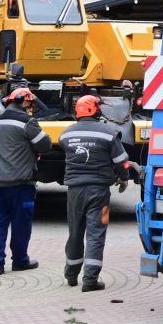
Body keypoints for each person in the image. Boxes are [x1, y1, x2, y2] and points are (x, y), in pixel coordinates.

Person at [61, 94, 138, 291]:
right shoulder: (108, 132)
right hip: (98, 192)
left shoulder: (66, 134)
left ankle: (71, 274)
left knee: (75, 232)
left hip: (74, 192)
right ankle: (90, 280)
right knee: (96, 234)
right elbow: (122, 161)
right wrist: (123, 176)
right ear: (96, 110)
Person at [0, 86, 51, 276]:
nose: (32, 108)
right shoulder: (27, 122)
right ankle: (20, 260)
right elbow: (44, 145)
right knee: (21, 222)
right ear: (25, 101)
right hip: (19, 182)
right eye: (30, 104)